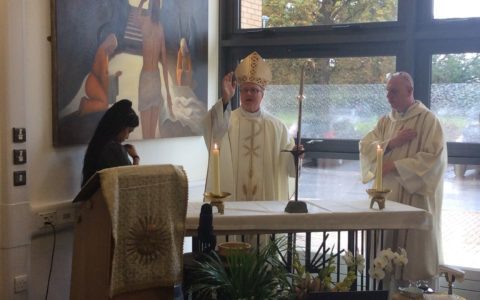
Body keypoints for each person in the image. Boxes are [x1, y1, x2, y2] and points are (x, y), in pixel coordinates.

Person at [359, 71, 447, 282]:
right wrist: (392, 142)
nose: (388, 96)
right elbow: (365, 146)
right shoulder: (385, 121)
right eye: (387, 91)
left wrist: (394, 166)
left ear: (410, 91)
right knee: (385, 259)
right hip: (386, 198)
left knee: (412, 259)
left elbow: (433, 159)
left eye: (394, 91)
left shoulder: (428, 120)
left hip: (414, 196)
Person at [203, 51, 298, 201]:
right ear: (239, 93)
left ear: (262, 94)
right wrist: (226, 99)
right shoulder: (228, 120)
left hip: (266, 203)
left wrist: (296, 155)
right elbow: (212, 128)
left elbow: (288, 164)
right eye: (245, 90)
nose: (249, 94)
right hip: (233, 199)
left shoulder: (277, 127)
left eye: (254, 90)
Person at [136, 0, 173, 139]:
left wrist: (141, 2)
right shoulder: (160, 29)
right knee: (150, 136)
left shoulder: (144, 23)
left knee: (147, 135)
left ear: (150, 7)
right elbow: (164, 64)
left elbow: (135, 17)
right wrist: (168, 93)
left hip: (147, 78)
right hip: (155, 78)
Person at [82, 99, 140, 186]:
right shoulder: (114, 149)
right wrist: (136, 158)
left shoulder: (96, 144)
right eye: (129, 131)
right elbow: (131, 183)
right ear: (120, 126)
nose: (127, 137)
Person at [79, 24, 122, 115]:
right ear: (108, 44)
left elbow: (105, 74)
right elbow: (103, 76)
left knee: (105, 102)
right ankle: (85, 105)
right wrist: (113, 78)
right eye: (112, 48)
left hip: (95, 82)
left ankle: (87, 104)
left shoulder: (104, 52)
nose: (113, 51)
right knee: (104, 104)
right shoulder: (102, 54)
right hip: (93, 83)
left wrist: (114, 77)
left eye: (114, 49)